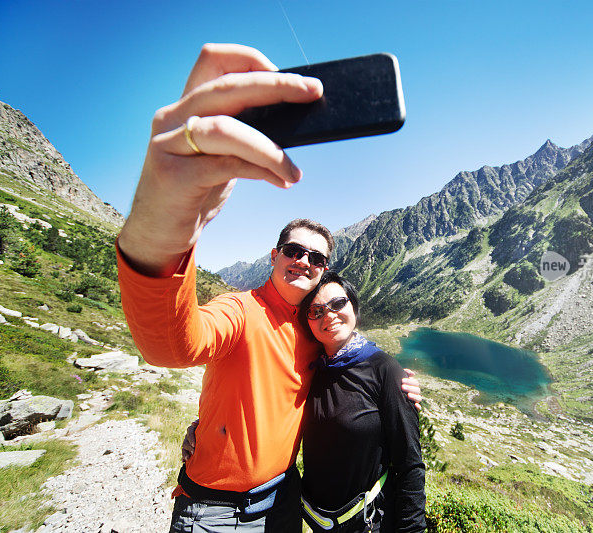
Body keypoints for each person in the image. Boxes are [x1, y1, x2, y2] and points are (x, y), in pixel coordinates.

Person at [116, 43, 421, 532]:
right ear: (273, 256)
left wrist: (394, 383)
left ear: (326, 273)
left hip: (284, 502)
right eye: (294, 251)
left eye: (316, 258)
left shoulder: (314, 334)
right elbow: (172, 345)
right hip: (216, 510)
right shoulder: (239, 310)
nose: (303, 262)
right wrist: (161, 233)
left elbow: (347, 384)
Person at [300, 271, 426, 532]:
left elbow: (409, 463)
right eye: (316, 311)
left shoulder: (385, 370)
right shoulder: (310, 368)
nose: (329, 315)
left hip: (367, 523)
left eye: (338, 304)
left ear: (354, 308)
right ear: (308, 322)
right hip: (315, 520)